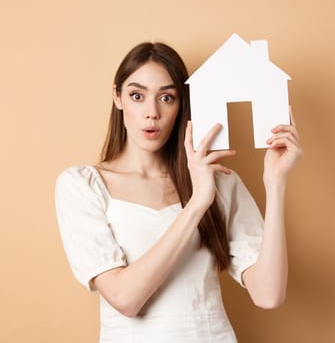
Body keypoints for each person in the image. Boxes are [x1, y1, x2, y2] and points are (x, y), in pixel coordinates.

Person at [54, 41, 302, 342]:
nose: (152, 113)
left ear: (181, 104)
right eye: (137, 95)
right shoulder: (83, 185)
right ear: (117, 97)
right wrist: (197, 203)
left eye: (167, 97)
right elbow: (126, 299)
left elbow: (269, 294)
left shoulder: (219, 181)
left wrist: (275, 184)